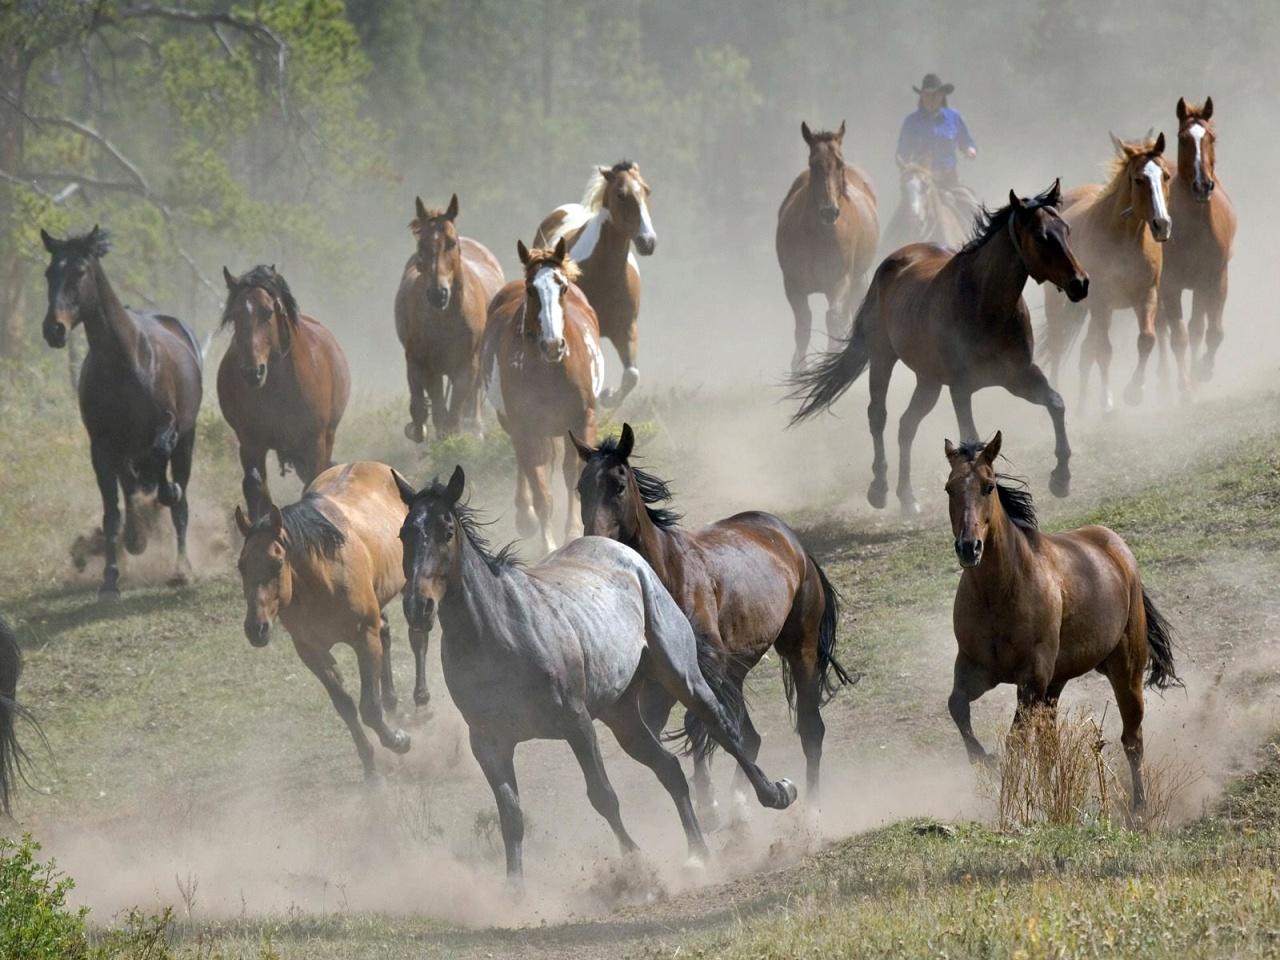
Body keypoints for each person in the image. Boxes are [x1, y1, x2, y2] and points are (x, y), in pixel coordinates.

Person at [896, 73, 977, 188]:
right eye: (927, 95)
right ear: (922, 97)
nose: (931, 99)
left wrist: (970, 150)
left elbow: (966, 141)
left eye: (935, 95)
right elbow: (902, 152)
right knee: (911, 204)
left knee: (969, 203)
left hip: (949, 179)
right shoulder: (911, 122)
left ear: (942, 96)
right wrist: (905, 165)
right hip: (920, 181)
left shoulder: (954, 117)